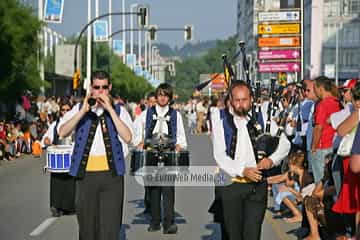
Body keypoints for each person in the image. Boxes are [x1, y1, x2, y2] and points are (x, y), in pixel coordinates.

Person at [58, 70, 133, 240]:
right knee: (87, 228)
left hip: (112, 176)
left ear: (110, 88)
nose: (100, 91)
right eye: (96, 87)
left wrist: (111, 110)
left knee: (110, 228)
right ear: (91, 88)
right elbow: (62, 132)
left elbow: (128, 137)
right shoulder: (79, 108)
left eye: (104, 87)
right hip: (86, 176)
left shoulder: (120, 111)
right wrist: (83, 111)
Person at [211, 80, 291, 240]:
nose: (241, 104)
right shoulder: (220, 119)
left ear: (251, 99)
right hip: (231, 185)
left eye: (244, 99)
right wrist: (243, 170)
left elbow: (284, 143)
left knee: (252, 234)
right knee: (233, 235)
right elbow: (219, 155)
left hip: (257, 186)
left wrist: (271, 160)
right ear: (231, 101)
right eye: (237, 100)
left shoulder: (261, 118)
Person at [133, 83, 187, 234]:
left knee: (168, 189)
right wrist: (140, 142)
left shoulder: (176, 115)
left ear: (169, 98)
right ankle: (155, 221)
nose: (162, 98)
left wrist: (179, 146)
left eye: (166, 95)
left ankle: (168, 223)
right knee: (154, 190)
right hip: (151, 153)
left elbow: (181, 136)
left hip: (168, 153)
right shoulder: (146, 114)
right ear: (156, 97)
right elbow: (137, 132)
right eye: (160, 95)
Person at [41, 100, 75, 217]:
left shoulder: (76, 123)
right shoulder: (55, 125)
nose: (65, 112)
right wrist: (47, 140)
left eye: (67, 110)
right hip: (58, 158)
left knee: (70, 183)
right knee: (57, 183)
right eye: (63, 110)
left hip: (71, 157)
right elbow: (47, 137)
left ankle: (68, 207)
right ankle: (55, 206)